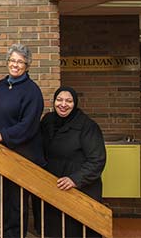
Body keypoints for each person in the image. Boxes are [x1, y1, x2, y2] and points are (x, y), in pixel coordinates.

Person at [0, 43, 45, 238]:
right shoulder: (2, 85)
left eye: (20, 62)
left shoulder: (32, 91)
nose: (15, 65)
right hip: (1, 153)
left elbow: (28, 126)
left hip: (21, 155)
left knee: (16, 203)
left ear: (27, 66)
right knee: (4, 199)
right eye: (12, 60)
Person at [40, 86, 106, 238]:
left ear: (75, 103)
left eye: (69, 101)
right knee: (55, 229)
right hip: (54, 185)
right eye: (59, 100)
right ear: (54, 101)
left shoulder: (88, 126)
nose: (63, 104)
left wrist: (75, 179)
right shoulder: (48, 120)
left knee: (77, 231)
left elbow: (97, 160)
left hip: (81, 188)